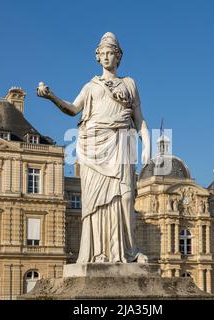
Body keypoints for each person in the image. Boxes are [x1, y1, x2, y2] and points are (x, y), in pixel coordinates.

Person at [37, 32, 150, 264]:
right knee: (97, 202)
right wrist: (51, 97)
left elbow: (140, 120)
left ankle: (129, 250)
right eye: (103, 53)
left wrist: (147, 144)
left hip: (123, 141)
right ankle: (99, 252)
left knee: (126, 197)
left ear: (118, 57)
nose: (107, 57)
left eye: (112, 53)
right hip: (95, 146)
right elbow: (73, 108)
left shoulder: (130, 83)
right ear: (98, 57)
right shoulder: (91, 86)